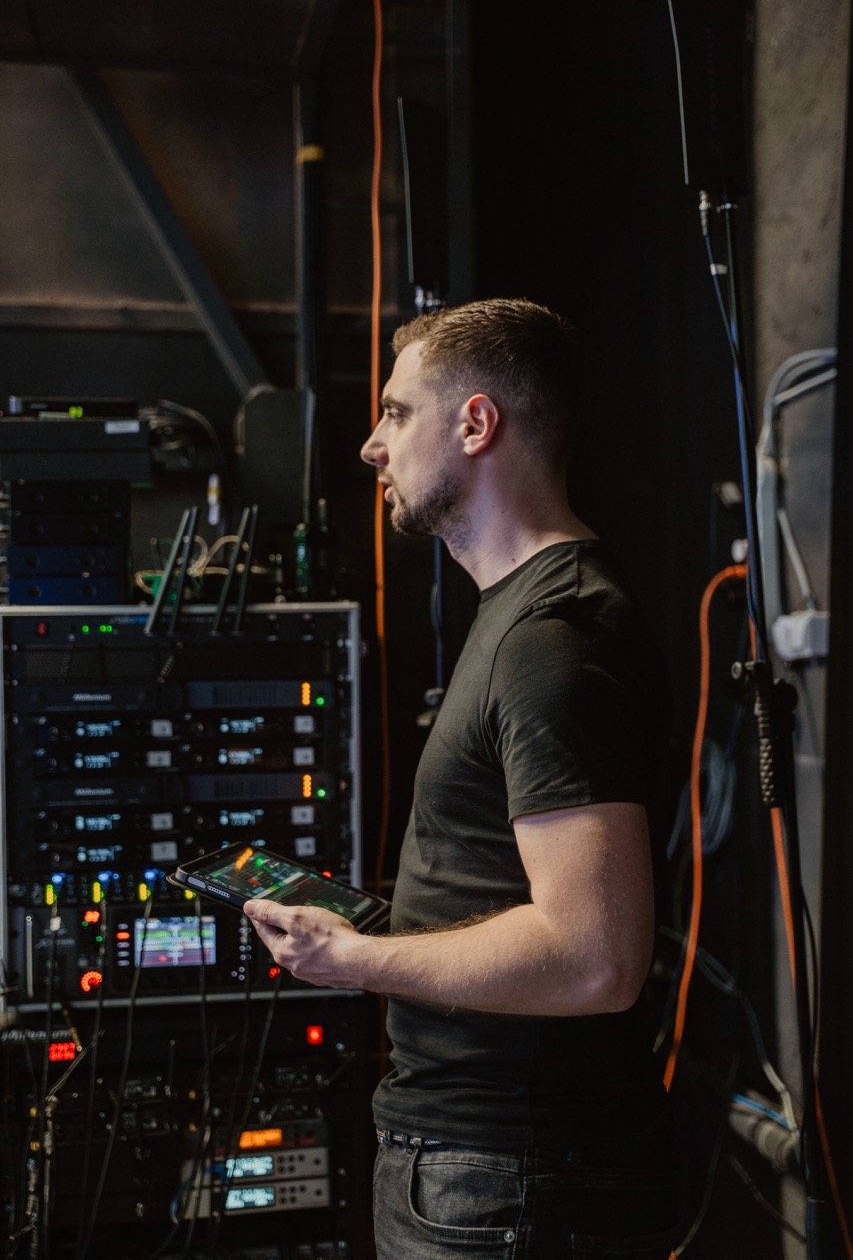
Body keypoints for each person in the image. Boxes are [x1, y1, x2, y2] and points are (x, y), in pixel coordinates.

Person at [245, 298, 680, 1258]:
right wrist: (377, 918)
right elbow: (507, 887)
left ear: (476, 425)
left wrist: (350, 961)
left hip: (508, 1176)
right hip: (485, 1171)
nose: (370, 446)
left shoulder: (551, 643)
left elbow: (594, 956)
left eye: (397, 413)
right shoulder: (523, 619)